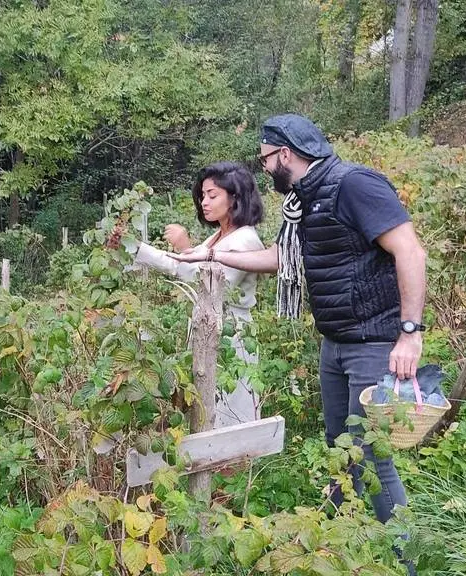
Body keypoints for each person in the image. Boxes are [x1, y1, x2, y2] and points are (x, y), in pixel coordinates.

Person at [172, 115, 427, 533]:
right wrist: (211, 255)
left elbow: (411, 254)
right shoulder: (302, 200)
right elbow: (281, 258)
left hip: (374, 341)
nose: (265, 169)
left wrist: (409, 334)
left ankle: (407, 557)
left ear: (285, 153)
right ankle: (337, 543)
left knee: (370, 455)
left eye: (266, 160)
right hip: (336, 342)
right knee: (338, 452)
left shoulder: (354, 184)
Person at [130, 161, 266, 426]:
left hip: (232, 333)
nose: (204, 202)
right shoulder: (218, 237)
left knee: (231, 403)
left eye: (213, 195)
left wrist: (184, 245)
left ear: (235, 198)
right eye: (203, 195)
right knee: (207, 398)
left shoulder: (245, 239)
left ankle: (233, 464)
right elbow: (178, 265)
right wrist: (134, 248)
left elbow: (211, 283)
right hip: (208, 327)